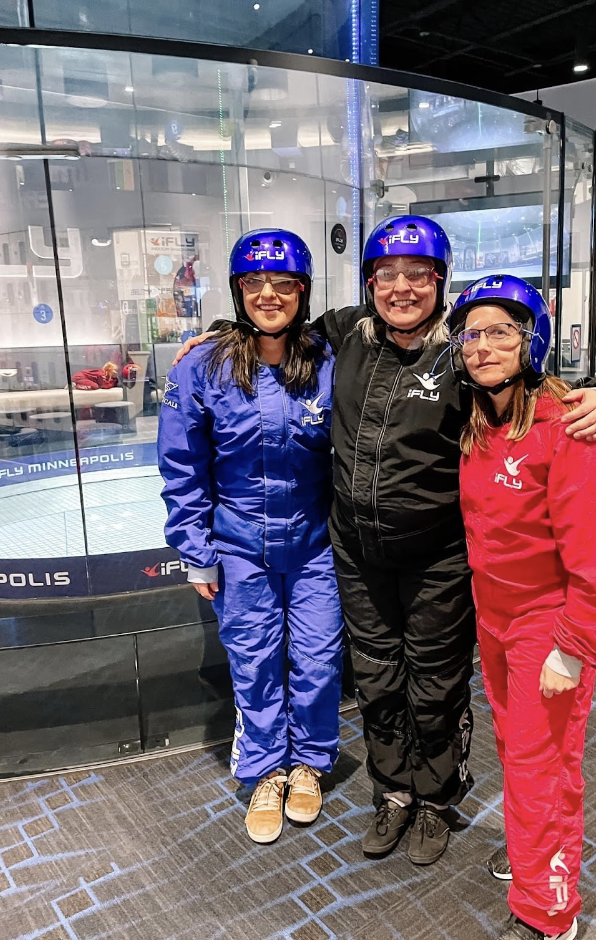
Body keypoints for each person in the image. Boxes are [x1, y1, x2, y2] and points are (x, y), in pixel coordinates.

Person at [173, 215, 596, 867]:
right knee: (379, 679)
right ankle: (393, 790)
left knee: (435, 683)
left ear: (440, 281)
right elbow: (273, 326)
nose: (401, 288)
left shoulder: (461, 351)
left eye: (418, 275)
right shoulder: (342, 337)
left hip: (438, 558)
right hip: (357, 555)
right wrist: (221, 333)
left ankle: (436, 798)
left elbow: (524, 385)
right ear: (369, 282)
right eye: (386, 275)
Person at [453, 275, 596, 940]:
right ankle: (534, 859)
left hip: (547, 625)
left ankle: (549, 911)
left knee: (542, 768)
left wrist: (572, 646)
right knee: (520, 754)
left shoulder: (570, 432)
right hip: (493, 618)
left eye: (501, 331)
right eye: (473, 334)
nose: (483, 346)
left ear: (533, 341)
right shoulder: (481, 417)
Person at [158, 229, 344, 845]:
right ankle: (266, 771)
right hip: (238, 548)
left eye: (283, 284)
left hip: (315, 546)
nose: (269, 294)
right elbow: (182, 465)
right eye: (255, 283)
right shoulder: (202, 367)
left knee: (317, 662)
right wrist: (196, 553)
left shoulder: (327, 364)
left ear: (302, 292)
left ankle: (310, 764)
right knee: (255, 660)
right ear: (239, 291)